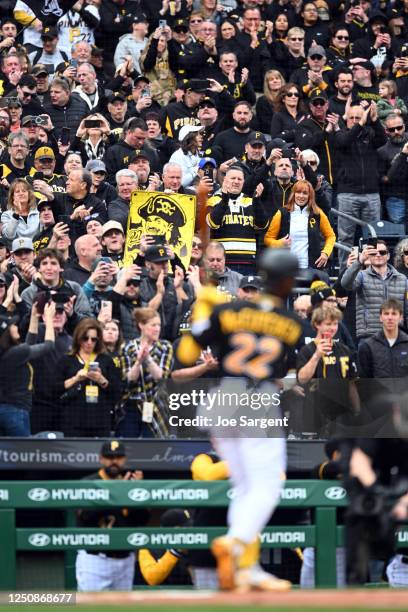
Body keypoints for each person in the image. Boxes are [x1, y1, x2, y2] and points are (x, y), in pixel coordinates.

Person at [177, 248, 302, 591]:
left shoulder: (229, 309)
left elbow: (186, 354)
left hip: (223, 399)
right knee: (267, 486)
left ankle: (245, 567)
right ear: (288, 283)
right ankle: (235, 542)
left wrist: (203, 310)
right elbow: (283, 373)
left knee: (245, 488)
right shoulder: (292, 324)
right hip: (258, 400)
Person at [75, 440, 149, 592]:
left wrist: (137, 492)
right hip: (95, 559)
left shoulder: (130, 483)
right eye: (109, 457)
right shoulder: (89, 482)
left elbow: (142, 520)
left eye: (118, 457)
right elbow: (86, 518)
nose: (114, 461)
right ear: (101, 459)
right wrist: (118, 492)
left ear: (124, 459)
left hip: (125, 559)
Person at [335, 102, 386, 270]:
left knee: (373, 237)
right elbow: (345, 141)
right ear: (346, 119)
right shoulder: (340, 133)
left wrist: (375, 119)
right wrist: (361, 123)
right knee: (345, 238)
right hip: (348, 194)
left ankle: (373, 272)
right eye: (352, 118)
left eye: (359, 117)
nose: (356, 121)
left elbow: (383, 140)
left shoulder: (370, 134)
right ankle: (344, 276)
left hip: (371, 193)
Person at [296, 304, 359, 437]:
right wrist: (317, 356)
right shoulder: (307, 350)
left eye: (335, 324)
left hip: (341, 413)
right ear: (317, 324)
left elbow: (351, 383)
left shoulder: (344, 350)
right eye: (328, 324)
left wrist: (357, 411)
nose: (332, 328)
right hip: (314, 412)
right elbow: (302, 378)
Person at [55, 318, 122, 437]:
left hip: (100, 421)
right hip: (73, 420)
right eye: (85, 338)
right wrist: (75, 379)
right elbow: (54, 389)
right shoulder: (66, 360)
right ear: (78, 338)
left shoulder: (106, 360)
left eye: (94, 339)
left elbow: (117, 392)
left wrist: (102, 380)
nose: (89, 342)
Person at [0, 301, 56, 436]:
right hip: (15, 411)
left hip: (7, 409)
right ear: (6, 333)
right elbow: (49, 346)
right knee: (21, 453)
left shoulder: (9, 353)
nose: (16, 327)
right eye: (12, 325)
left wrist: (34, 317)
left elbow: (28, 346)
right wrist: (49, 320)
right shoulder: (15, 353)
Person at [120, 307, 173, 438]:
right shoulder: (127, 347)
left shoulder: (165, 346)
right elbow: (129, 378)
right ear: (141, 325)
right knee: (129, 446)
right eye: (153, 325)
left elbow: (161, 376)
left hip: (157, 404)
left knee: (154, 448)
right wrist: (138, 362)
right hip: (133, 404)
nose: (157, 329)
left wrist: (148, 359)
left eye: (159, 325)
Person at [341, 241, 408, 343]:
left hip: (396, 335)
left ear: (388, 256)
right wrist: (359, 261)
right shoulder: (361, 276)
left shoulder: (402, 279)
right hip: (369, 335)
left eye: (382, 252)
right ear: (368, 256)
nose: (378, 255)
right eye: (373, 253)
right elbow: (345, 283)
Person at [264, 180, 335, 276]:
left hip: (311, 268)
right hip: (287, 268)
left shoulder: (317, 213)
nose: (301, 196)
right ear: (293, 194)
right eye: (298, 192)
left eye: (305, 193)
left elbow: (331, 236)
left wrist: (325, 253)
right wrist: (279, 243)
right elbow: (267, 239)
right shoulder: (282, 213)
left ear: (310, 196)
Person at [358, 298, 408, 397]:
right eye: (386, 313)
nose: (390, 318)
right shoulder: (368, 346)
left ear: (401, 317)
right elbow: (365, 383)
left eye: (394, 314)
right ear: (380, 317)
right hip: (379, 405)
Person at [1, 179, 41, 247]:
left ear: (29, 194)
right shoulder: (6, 215)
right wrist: (16, 213)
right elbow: (9, 236)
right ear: (12, 196)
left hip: (37, 250)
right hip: (17, 252)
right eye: (17, 191)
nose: (21, 193)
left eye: (24, 191)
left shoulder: (38, 212)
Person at [255, 70, 285, 134]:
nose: (275, 81)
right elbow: (265, 124)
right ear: (267, 83)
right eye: (271, 80)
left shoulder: (289, 97)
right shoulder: (262, 101)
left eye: (277, 78)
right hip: (270, 134)